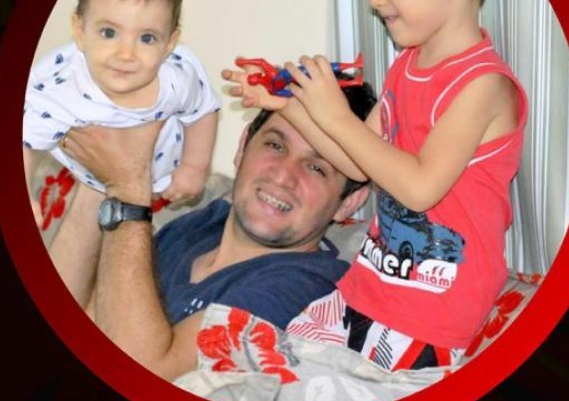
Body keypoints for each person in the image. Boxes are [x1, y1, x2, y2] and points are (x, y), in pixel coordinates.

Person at [224, 0, 527, 372]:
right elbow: (357, 163)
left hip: (428, 316)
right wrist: (287, 106)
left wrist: (335, 115)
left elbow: (419, 189)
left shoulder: (483, 86)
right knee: (263, 369)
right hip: (364, 290)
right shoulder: (406, 64)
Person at [48, 81, 377, 381]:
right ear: (243, 146)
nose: (283, 176)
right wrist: (99, 170)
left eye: (316, 168)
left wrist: (127, 189)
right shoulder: (200, 226)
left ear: (349, 202)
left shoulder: (310, 288)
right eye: (275, 146)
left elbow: (145, 376)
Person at [23, 0, 220, 227]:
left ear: (170, 43)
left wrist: (194, 167)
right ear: (80, 31)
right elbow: (24, 141)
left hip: (162, 170)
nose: (126, 54)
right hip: (93, 178)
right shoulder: (62, 92)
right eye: (109, 33)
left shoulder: (176, 79)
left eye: (147, 38)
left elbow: (203, 111)